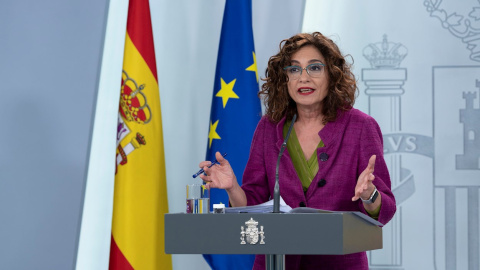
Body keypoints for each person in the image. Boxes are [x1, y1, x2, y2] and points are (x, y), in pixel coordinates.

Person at [199, 32, 396, 270]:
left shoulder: (360, 127)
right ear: (285, 80)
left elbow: (385, 211)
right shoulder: (269, 127)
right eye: (294, 70)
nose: (303, 78)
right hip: (275, 262)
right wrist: (233, 188)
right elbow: (254, 203)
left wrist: (370, 195)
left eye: (314, 68)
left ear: (332, 75)